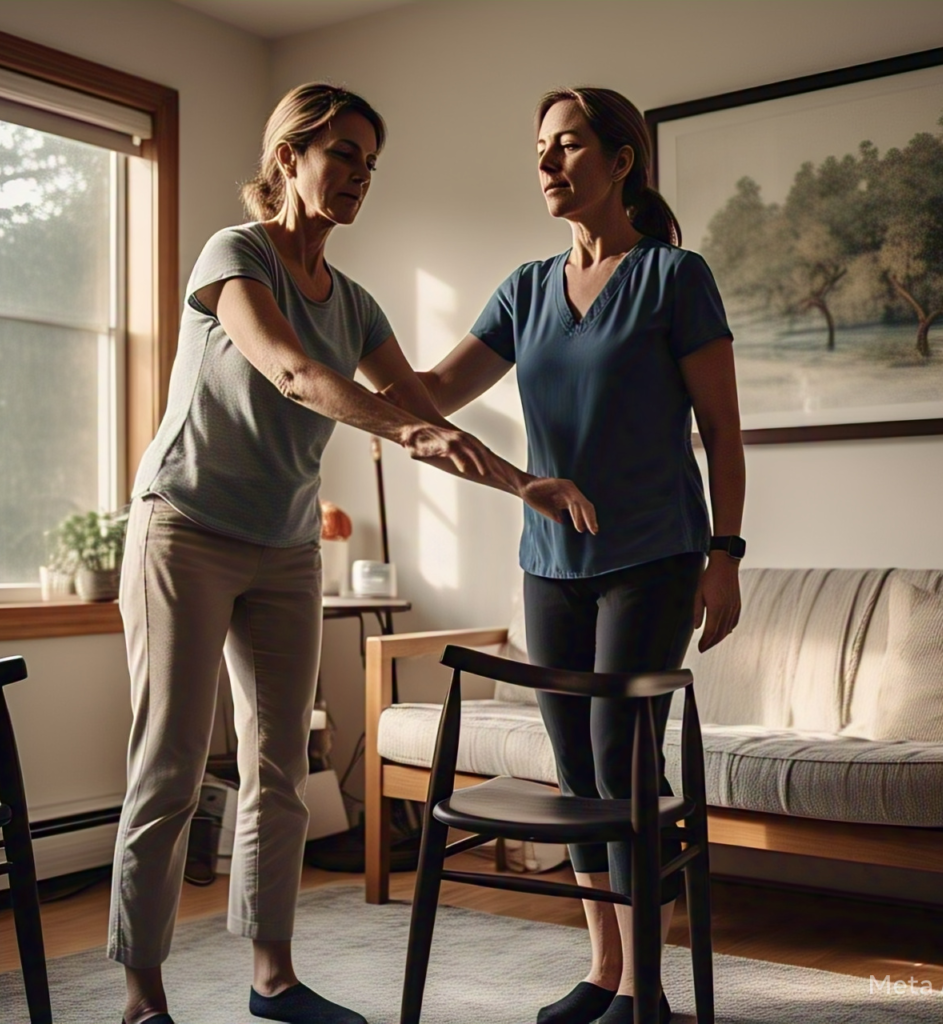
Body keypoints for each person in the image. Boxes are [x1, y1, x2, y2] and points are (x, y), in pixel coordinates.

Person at [108, 83, 595, 1024]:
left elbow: (418, 404)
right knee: (168, 764)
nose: (358, 176)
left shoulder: (358, 301)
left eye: (369, 162)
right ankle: (141, 997)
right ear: (288, 157)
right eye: (342, 154)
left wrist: (519, 481)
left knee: (282, 765)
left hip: (285, 544)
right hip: (185, 526)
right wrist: (411, 438)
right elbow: (293, 373)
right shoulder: (234, 255)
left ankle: (273, 980)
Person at [406, 87, 746, 1024]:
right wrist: (336, 337)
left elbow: (721, 431)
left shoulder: (675, 277)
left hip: (655, 554)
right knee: (573, 766)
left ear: (621, 160)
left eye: (567, 147)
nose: (548, 164)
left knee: (620, 759)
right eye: (540, 150)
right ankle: (603, 973)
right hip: (549, 561)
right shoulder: (524, 290)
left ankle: (648, 989)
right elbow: (433, 390)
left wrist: (726, 554)